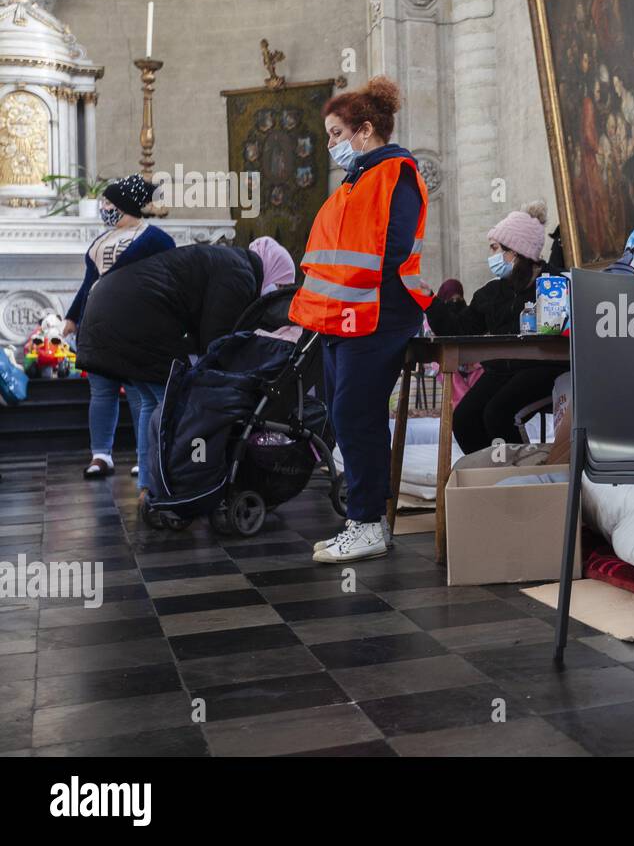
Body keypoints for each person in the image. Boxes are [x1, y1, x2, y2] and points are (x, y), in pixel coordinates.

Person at [288, 75, 433, 565]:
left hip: (380, 314)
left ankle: (367, 523)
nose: (331, 144)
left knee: (356, 413)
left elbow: (391, 249)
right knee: (346, 413)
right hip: (343, 318)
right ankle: (367, 522)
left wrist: (349, 294)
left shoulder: (398, 172)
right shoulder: (357, 180)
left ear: (365, 130)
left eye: (335, 134)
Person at [74, 238, 290, 504]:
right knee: (169, 407)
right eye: (280, 284)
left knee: (152, 403)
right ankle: (169, 486)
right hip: (133, 318)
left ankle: (149, 486)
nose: (276, 292)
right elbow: (216, 338)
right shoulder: (240, 274)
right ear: (272, 271)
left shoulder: (229, 262)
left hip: (107, 309)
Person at [425, 200, 567, 453]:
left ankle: (520, 475)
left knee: (497, 413)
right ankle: (490, 474)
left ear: (516, 252)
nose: (491, 257)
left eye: (495, 248)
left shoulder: (554, 285)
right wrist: (430, 301)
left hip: (544, 367)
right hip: (501, 370)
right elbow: (460, 329)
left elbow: (560, 337)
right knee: (464, 418)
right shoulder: (492, 293)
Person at [63, 174, 175, 479]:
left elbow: (167, 280)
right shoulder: (101, 240)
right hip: (97, 326)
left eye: (109, 202)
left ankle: (145, 455)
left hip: (133, 326)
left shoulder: (154, 238)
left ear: (125, 205)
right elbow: (90, 283)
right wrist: (73, 317)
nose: (104, 207)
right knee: (101, 391)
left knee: (140, 392)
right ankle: (101, 454)